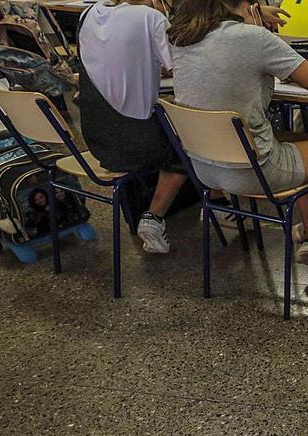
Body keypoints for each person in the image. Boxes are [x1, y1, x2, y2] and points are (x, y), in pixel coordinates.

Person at [168, 0, 308, 267]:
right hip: (256, 170)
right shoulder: (255, 38)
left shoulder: (181, 39)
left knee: (303, 140)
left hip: (205, 170)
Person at [76, 0, 194, 253]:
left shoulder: (88, 13)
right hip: (136, 142)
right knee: (190, 143)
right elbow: (185, 68)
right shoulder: (150, 17)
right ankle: (155, 216)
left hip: (96, 139)